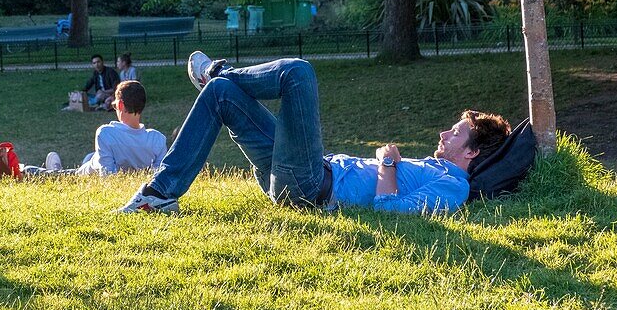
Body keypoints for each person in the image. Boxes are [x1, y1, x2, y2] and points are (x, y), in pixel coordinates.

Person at [118, 52, 510, 214]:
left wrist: (387, 164)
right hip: (302, 171)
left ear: (472, 153)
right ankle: (161, 194)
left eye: (456, 133)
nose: (444, 132)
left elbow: (390, 212)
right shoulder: (433, 166)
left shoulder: (454, 188)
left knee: (299, 73)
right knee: (221, 95)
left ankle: (216, 72)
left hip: (311, 186)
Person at [30, 80, 166, 176]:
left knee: (59, 175)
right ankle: (58, 169)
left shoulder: (107, 133)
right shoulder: (157, 139)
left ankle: (52, 171)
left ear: (120, 106)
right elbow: (157, 175)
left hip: (85, 174)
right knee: (90, 157)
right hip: (94, 163)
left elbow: (106, 175)